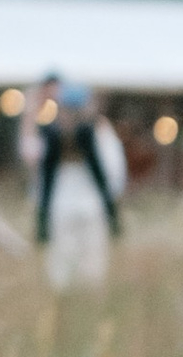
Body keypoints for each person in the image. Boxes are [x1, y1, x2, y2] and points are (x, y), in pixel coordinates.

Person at [36, 80, 121, 290]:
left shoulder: (54, 134)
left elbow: (45, 180)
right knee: (90, 266)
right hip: (88, 207)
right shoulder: (95, 133)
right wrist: (112, 211)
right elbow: (110, 173)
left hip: (64, 207)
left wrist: (41, 217)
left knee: (65, 265)